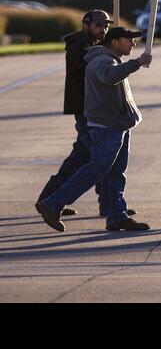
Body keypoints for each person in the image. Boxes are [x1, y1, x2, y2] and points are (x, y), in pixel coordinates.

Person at [36, 27, 152, 232]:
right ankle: (52, 204)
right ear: (115, 42)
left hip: (118, 125)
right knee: (97, 168)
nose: (133, 44)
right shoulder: (102, 60)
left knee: (116, 172)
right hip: (106, 127)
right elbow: (110, 76)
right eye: (129, 40)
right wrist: (137, 63)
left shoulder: (111, 58)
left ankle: (117, 216)